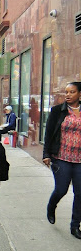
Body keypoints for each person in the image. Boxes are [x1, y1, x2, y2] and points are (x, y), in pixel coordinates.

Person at [42, 81, 81, 239]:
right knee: (61, 189)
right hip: (61, 157)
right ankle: (51, 206)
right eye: (66, 92)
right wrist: (46, 154)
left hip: (80, 160)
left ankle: (75, 226)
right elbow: (49, 132)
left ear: (80, 94)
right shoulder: (58, 111)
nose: (68, 95)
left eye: (72, 92)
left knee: (80, 193)